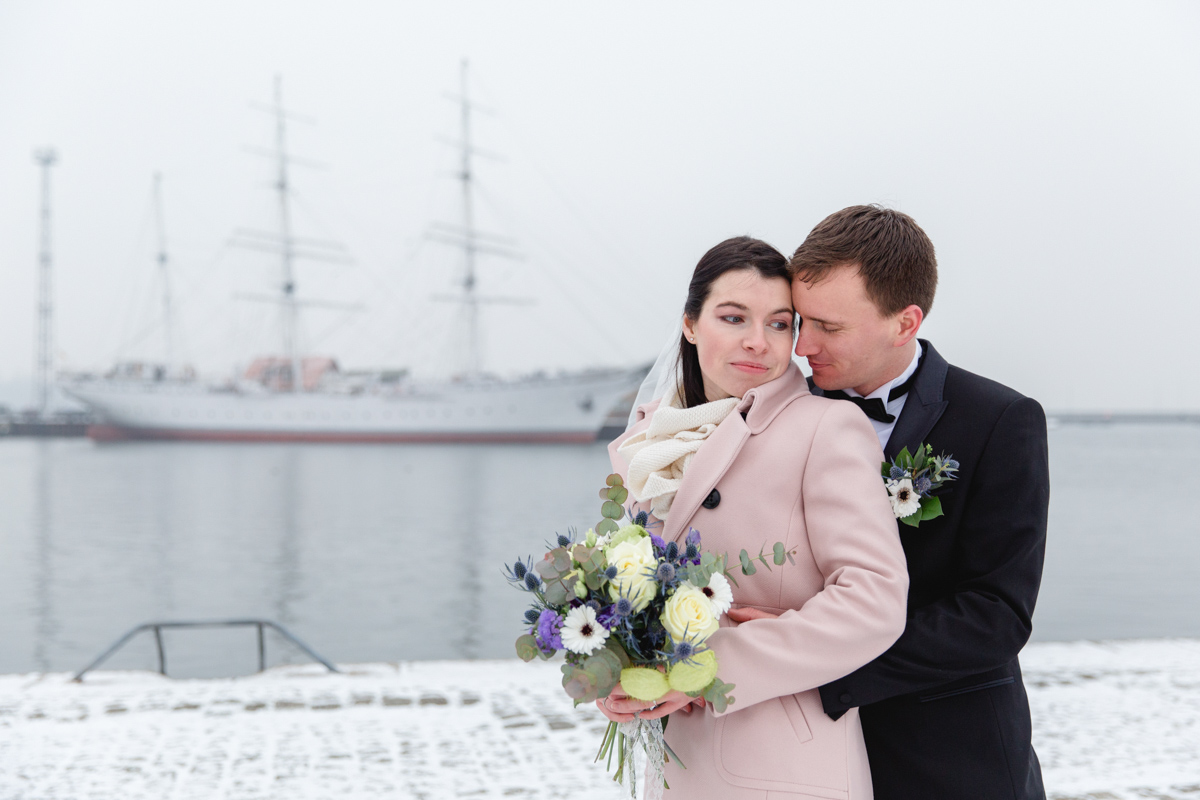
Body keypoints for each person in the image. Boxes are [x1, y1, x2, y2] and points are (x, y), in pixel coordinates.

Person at [598, 235, 909, 799]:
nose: (757, 342)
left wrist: (709, 665)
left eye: (778, 324)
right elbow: (629, 588)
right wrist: (614, 666)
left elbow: (876, 599)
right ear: (691, 324)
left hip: (782, 757)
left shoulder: (824, 428)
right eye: (733, 317)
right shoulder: (647, 443)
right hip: (674, 758)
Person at [779, 205, 1050, 799]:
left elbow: (996, 613)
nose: (802, 346)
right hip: (796, 759)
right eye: (799, 321)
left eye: (829, 326)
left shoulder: (1000, 420)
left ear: (905, 323)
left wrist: (817, 661)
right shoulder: (775, 412)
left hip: (951, 760)